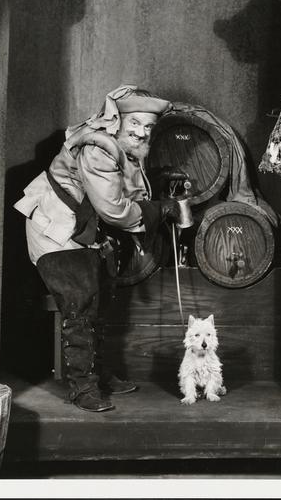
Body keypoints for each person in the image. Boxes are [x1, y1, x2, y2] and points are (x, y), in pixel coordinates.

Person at [14, 85, 185, 412]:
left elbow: (125, 189)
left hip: (83, 228)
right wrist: (158, 211)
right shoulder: (99, 148)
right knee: (80, 303)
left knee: (101, 298)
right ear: (117, 119)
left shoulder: (127, 147)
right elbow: (113, 210)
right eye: (135, 123)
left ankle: (99, 375)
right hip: (57, 229)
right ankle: (83, 388)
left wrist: (155, 189)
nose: (142, 132)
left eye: (149, 126)